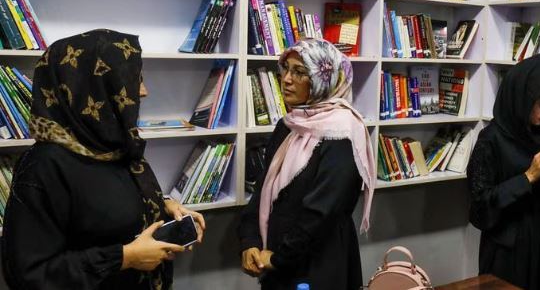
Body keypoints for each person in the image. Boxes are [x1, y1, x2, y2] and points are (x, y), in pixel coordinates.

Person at [1, 30, 205, 290]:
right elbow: (28, 274)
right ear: (92, 87)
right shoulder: (43, 167)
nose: (143, 91)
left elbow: (106, 200)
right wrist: (125, 258)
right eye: (132, 79)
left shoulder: (112, 145)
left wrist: (164, 205)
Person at [238, 38, 376, 289]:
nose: (287, 79)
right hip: (275, 260)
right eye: (286, 69)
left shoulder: (342, 133)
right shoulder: (289, 124)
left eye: (300, 72)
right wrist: (250, 241)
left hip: (318, 265)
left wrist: (280, 258)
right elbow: (262, 188)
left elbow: (322, 213)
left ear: (325, 79)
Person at [467, 54, 540, 290]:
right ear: (522, 100)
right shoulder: (490, 140)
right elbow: (480, 209)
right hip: (507, 251)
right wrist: (527, 177)